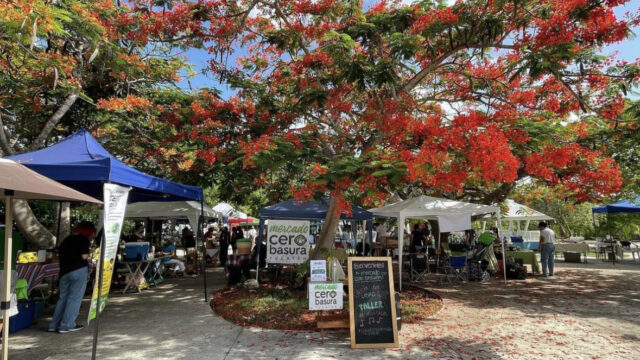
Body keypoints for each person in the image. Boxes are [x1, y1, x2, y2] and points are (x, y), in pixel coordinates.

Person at [48, 221, 96, 333]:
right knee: (74, 298)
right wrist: (89, 253)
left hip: (64, 272)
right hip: (78, 270)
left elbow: (58, 254)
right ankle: (67, 325)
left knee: (62, 298)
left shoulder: (67, 239)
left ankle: (54, 324)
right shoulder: (83, 239)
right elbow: (84, 256)